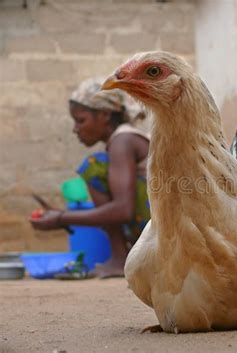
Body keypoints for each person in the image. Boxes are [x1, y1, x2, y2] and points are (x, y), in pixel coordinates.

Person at [30, 78, 151, 278]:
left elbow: (123, 210)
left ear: (104, 114)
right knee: (99, 165)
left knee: (93, 167)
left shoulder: (123, 141)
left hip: (164, 225)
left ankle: (121, 258)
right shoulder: (123, 140)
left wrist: (61, 218)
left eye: (81, 120)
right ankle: (123, 257)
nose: (75, 129)